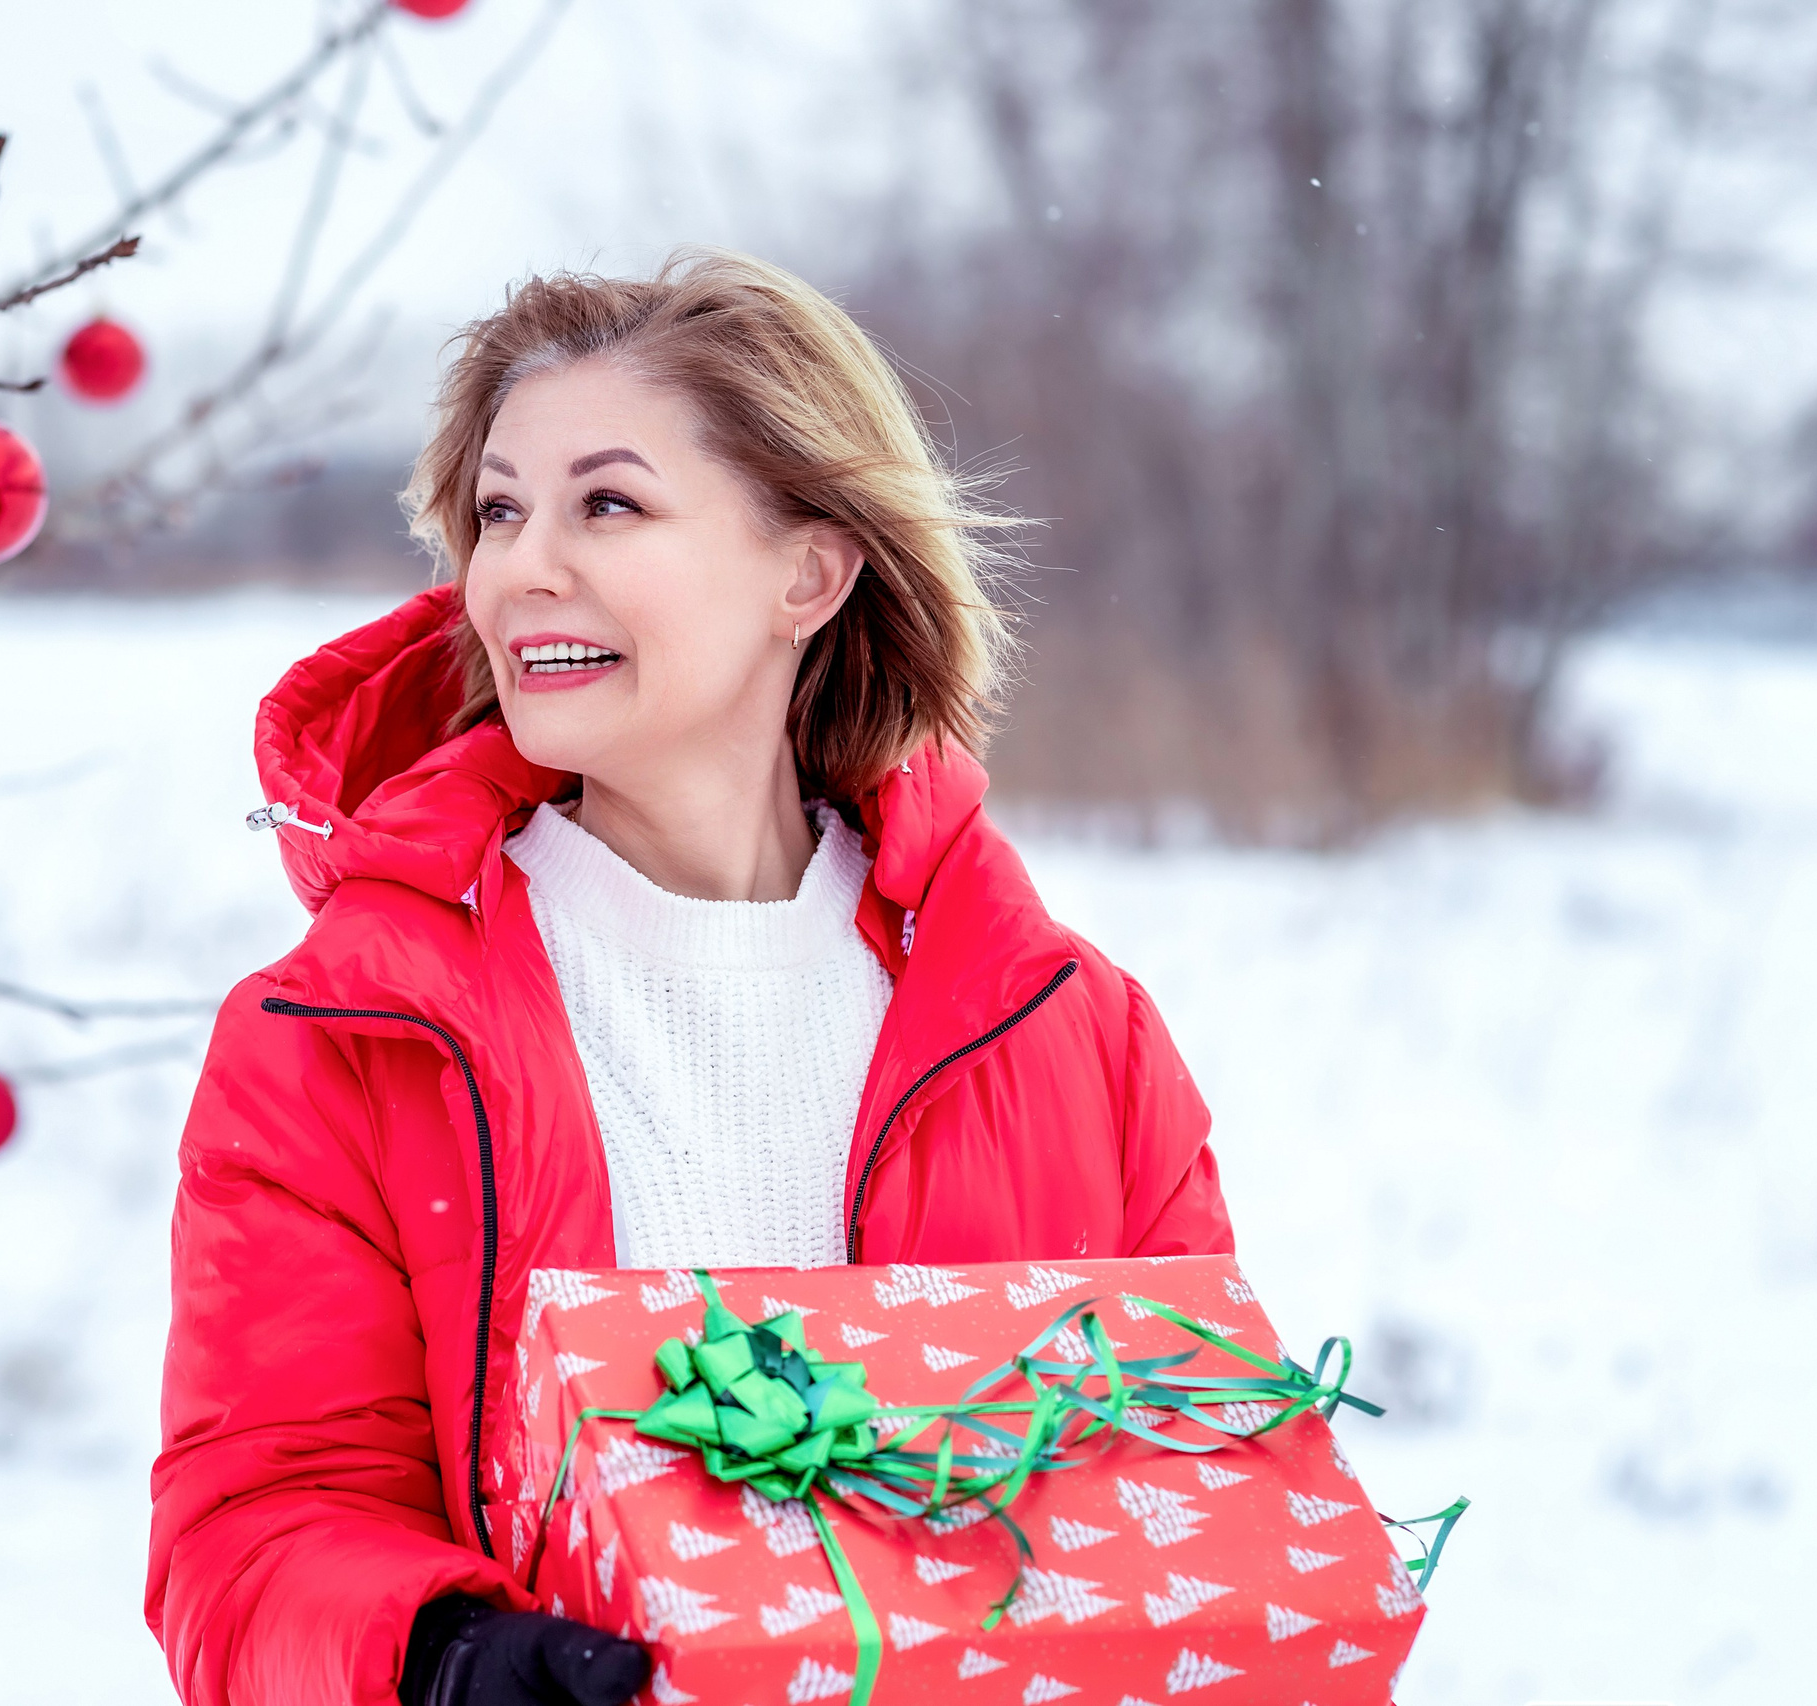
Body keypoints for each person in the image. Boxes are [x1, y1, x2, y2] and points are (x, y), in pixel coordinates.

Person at [145, 250, 1233, 1706]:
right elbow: (254, 1526)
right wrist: (444, 1654)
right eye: (499, 511)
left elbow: (1195, 1493)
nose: (522, 566)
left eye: (610, 503)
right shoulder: (346, 1036)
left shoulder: (1067, 1033)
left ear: (810, 569)